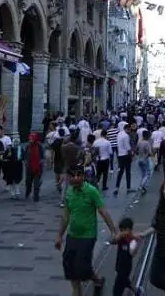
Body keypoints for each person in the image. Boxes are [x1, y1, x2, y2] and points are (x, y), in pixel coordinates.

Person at [55, 165, 118, 296]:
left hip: (88, 235)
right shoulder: (69, 193)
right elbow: (65, 216)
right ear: (69, 177)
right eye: (73, 175)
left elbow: (103, 211)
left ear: (83, 176)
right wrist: (59, 235)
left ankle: (93, 281)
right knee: (70, 265)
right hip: (72, 235)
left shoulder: (91, 191)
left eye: (79, 175)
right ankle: (78, 290)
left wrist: (113, 231)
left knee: (82, 266)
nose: (76, 178)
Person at [111, 217, 141, 296]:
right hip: (119, 266)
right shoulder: (121, 238)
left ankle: (136, 291)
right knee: (125, 281)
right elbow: (114, 240)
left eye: (123, 230)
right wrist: (121, 234)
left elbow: (132, 253)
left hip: (125, 269)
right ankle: (136, 290)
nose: (121, 232)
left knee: (117, 290)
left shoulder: (132, 241)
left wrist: (136, 242)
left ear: (128, 229)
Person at [114, 123, 134, 196]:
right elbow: (128, 147)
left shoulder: (119, 134)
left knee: (120, 172)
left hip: (120, 155)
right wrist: (132, 153)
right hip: (126, 155)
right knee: (128, 172)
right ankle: (128, 188)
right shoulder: (126, 136)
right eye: (130, 130)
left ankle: (117, 187)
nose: (130, 131)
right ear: (127, 129)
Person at [24, 131, 44, 201]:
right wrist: (26, 162)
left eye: (32, 139)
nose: (30, 140)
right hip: (29, 167)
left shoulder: (39, 146)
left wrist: (41, 162)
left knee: (36, 184)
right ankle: (27, 192)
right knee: (28, 182)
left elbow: (42, 157)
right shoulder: (28, 146)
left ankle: (36, 196)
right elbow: (25, 155)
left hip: (37, 168)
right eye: (30, 139)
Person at [137, 130, 153, 194]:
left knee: (143, 174)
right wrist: (150, 154)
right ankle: (142, 186)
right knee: (148, 173)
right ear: (147, 136)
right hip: (145, 160)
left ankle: (142, 186)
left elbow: (136, 150)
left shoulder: (139, 142)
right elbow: (150, 153)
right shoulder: (147, 143)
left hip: (139, 160)